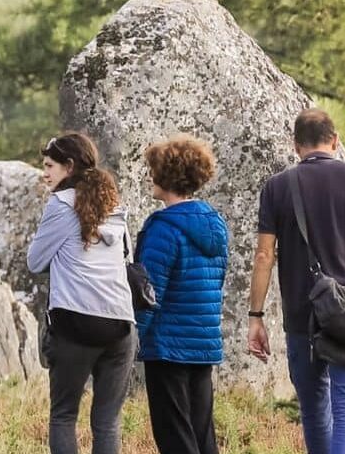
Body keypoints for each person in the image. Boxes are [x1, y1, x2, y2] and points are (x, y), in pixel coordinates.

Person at [246, 109, 345, 454]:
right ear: (336, 140)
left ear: (296, 146)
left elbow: (264, 256)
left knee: (313, 412)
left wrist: (256, 318)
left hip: (302, 314)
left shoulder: (277, 187)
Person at [27, 132, 135, 454]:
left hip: (76, 321)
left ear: (69, 166)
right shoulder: (115, 207)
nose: (45, 173)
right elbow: (127, 258)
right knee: (107, 422)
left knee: (63, 416)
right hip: (121, 324)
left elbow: (35, 261)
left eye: (49, 166)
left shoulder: (60, 205)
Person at [134, 135, 229, 454]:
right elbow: (216, 283)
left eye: (153, 171)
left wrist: (136, 338)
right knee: (202, 434)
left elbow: (148, 294)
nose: (150, 177)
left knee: (174, 433)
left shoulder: (163, 228)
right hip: (203, 342)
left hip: (168, 345)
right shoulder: (216, 225)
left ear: (166, 176)